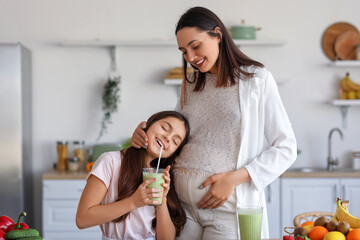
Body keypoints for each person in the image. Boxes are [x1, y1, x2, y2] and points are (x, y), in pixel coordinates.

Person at [131, 6, 297, 240]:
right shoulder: (190, 83)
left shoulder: (256, 80)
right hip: (183, 209)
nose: (190, 57)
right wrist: (147, 132)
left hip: (227, 211)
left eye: (195, 46)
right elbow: (175, 136)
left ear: (217, 35)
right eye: (183, 50)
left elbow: (286, 148)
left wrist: (234, 178)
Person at [76, 111, 190, 240]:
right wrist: (133, 202)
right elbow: (82, 219)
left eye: (175, 141)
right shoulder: (111, 161)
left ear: (173, 153)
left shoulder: (162, 177)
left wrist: (162, 200)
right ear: (148, 125)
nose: (168, 138)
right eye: (164, 128)